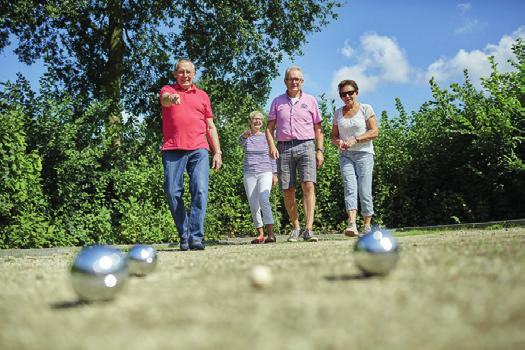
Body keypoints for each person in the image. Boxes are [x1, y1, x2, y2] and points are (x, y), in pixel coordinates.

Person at [160, 59, 222, 251]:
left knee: (200, 190)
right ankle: (184, 233)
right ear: (175, 74)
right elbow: (164, 100)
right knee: (172, 192)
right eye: (181, 72)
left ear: (194, 74)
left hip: (199, 148)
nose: (185, 76)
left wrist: (217, 151)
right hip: (173, 149)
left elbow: (210, 126)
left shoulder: (202, 96)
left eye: (188, 72)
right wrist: (172, 99)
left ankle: (196, 237)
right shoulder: (167, 90)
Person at [266, 66, 324, 242]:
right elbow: (269, 129)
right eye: (291, 79)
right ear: (285, 81)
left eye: (297, 79)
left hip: (306, 145)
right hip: (283, 147)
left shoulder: (311, 100)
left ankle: (309, 229)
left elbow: (318, 128)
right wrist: (271, 146)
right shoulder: (277, 101)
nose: (294, 82)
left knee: (308, 184)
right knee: (287, 189)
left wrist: (319, 150)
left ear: (302, 81)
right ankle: (296, 227)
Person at [330, 79, 379, 237]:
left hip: (364, 154)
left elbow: (374, 132)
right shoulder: (338, 113)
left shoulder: (366, 108)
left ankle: (366, 226)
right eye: (343, 94)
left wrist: (356, 139)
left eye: (350, 92)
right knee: (350, 188)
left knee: (364, 190)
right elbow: (333, 136)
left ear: (356, 93)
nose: (347, 96)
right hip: (346, 156)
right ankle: (351, 224)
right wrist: (340, 142)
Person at [239, 111, 279, 244]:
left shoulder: (266, 137)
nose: (257, 121)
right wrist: (244, 137)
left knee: (264, 199)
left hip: (265, 171)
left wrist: (275, 174)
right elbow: (240, 142)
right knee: (253, 204)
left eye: (260, 119)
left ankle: (271, 234)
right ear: (250, 121)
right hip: (249, 173)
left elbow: (272, 154)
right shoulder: (246, 136)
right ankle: (260, 235)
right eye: (255, 119)